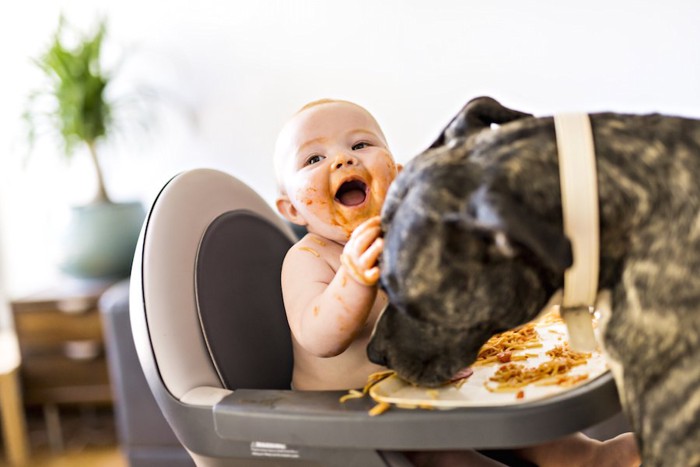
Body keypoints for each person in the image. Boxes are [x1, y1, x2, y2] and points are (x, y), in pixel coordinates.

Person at [274, 98, 640, 467]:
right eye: (313, 159)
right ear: (291, 208)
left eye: (360, 145)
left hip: (417, 391)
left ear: (398, 176)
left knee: (509, 407)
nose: (343, 159)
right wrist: (353, 279)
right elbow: (319, 338)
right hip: (348, 413)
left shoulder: (404, 238)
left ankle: (587, 457)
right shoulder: (307, 259)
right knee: (443, 453)